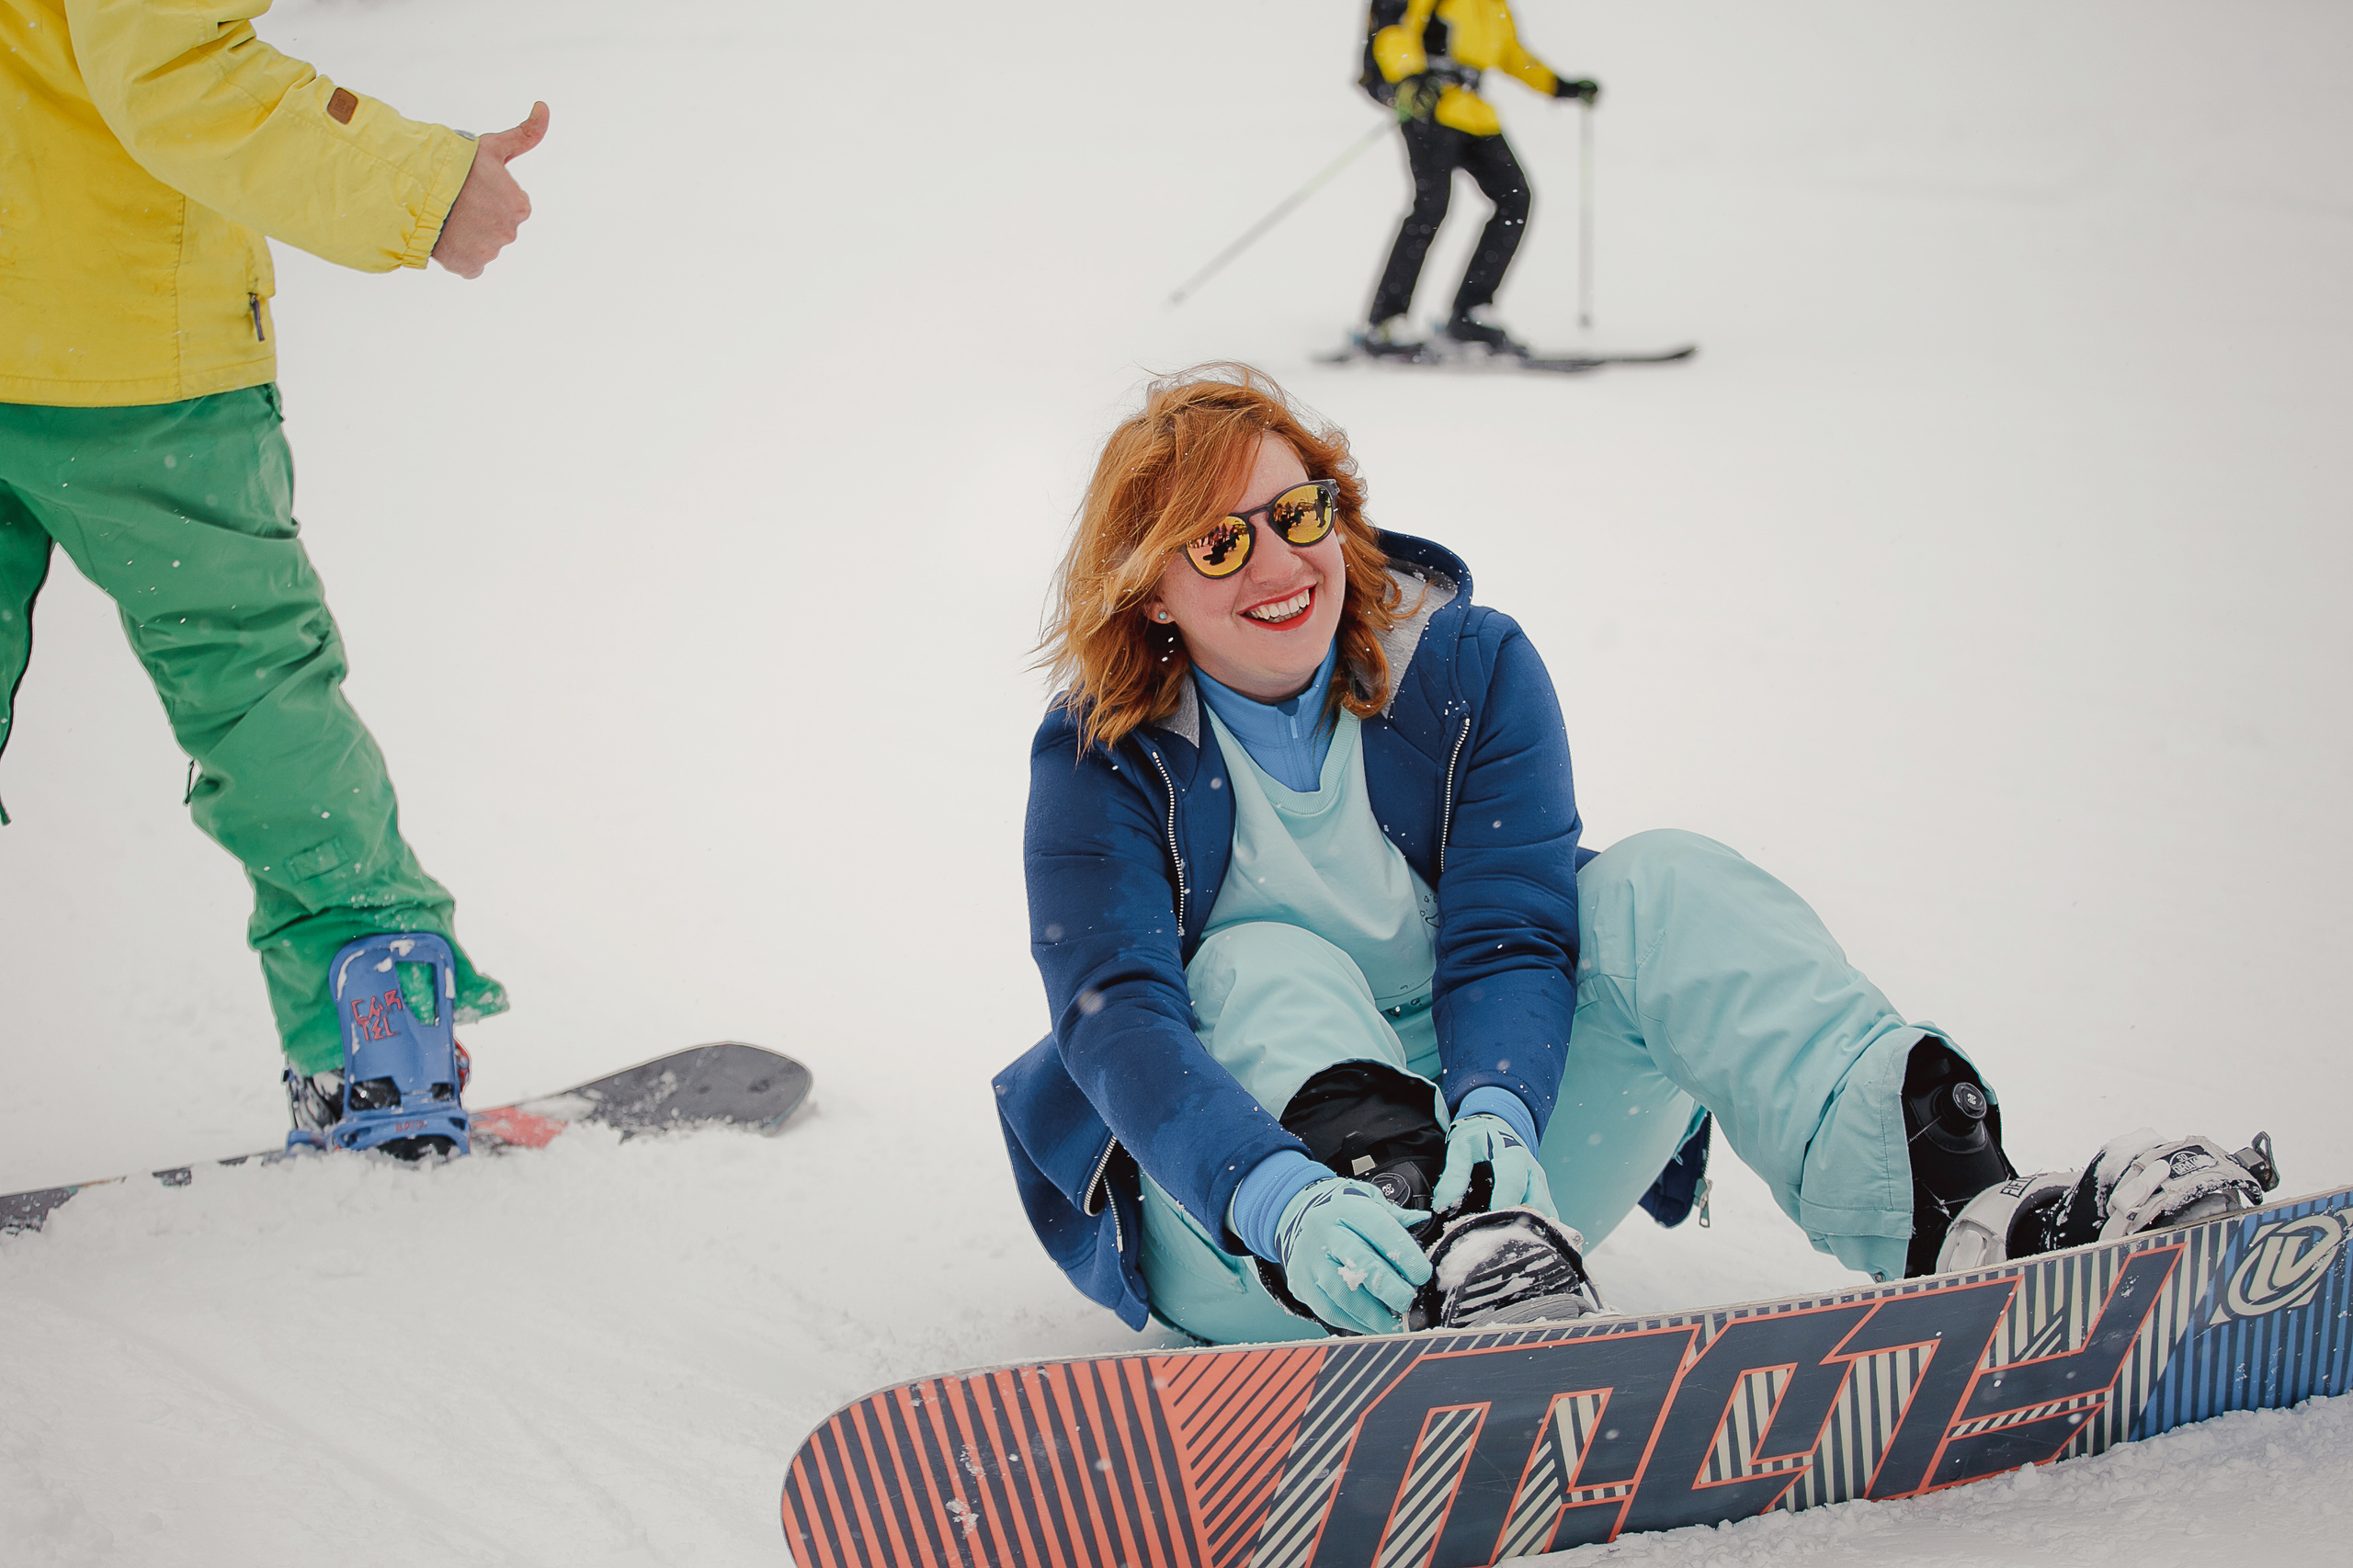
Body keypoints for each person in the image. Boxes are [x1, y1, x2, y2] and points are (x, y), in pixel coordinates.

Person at [995, 364, 2275, 1344]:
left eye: (1297, 512)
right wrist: (1278, 1196)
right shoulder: (1102, 755)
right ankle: (1412, 1249)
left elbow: (1512, 927)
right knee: (1260, 955)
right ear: (1151, 589)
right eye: (1220, 543)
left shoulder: (1468, 668)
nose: (1277, 562)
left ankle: (1965, 1215)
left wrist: (1496, 1104)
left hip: (1509, 1178)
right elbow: (1123, 1024)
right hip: (1246, 1217)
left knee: (1660, 881)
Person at [1, 0, 547, 1157]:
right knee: (256, 688)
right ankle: (382, 1054)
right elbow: (168, 61)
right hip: (126, 357)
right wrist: (422, 183)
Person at [1356, 0, 1598, 359]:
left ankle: (1470, 314)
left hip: (1474, 114)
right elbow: (1394, 31)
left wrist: (1559, 87)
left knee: (1515, 199)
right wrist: (1409, 77)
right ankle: (1386, 323)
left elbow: (1511, 54)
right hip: (1430, 106)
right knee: (1432, 207)